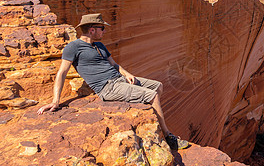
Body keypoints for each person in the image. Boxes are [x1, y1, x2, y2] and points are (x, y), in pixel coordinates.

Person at [37, 13, 188, 150]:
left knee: (157, 86)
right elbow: (62, 72)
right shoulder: (74, 47)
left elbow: (114, 65)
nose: (104, 31)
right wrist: (55, 101)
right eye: (102, 28)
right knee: (152, 96)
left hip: (120, 79)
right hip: (107, 87)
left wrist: (127, 74)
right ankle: (167, 136)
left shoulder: (99, 46)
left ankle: (151, 112)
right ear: (92, 30)